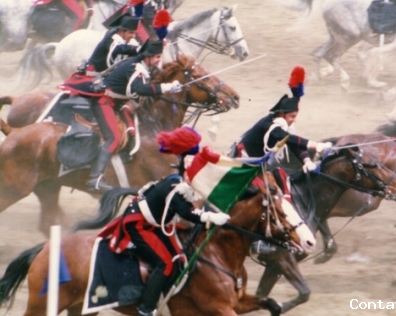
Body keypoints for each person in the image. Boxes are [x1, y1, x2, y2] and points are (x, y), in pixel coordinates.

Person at [98, 127, 230, 316]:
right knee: (166, 263)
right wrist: (211, 217)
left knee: (180, 256)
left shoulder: (180, 182)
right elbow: (187, 212)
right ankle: (145, 309)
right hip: (138, 224)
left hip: (155, 223)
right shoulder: (176, 187)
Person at [235, 66, 333, 254]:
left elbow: (292, 144)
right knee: (261, 195)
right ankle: (255, 240)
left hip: (260, 164)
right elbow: (289, 138)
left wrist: (306, 161)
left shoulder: (282, 123)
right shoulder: (271, 125)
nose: (293, 120)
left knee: (282, 180)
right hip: (245, 162)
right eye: (292, 117)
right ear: (282, 114)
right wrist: (315, 145)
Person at [87, 38, 183, 192]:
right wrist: (168, 87)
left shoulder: (142, 65)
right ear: (148, 56)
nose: (159, 60)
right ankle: (95, 179)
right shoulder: (136, 68)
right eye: (157, 56)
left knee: (132, 130)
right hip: (103, 102)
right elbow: (139, 89)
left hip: (117, 104)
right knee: (114, 138)